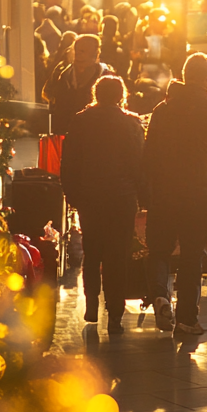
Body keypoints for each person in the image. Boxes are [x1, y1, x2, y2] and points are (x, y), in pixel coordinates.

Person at [143, 54, 207, 335]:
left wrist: (146, 191)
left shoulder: (161, 110)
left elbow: (148, 154)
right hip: (199, 192)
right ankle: (186, 319)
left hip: (164, 191)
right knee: (192, 256)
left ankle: (159, 295)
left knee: (159, 250)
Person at [60, 76, 144, 335]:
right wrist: (142, 198)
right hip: (122, 198)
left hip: (90, 197)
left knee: (92, 250)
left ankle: (92, 304)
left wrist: (72, 195)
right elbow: (140, 164)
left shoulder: (81, 121)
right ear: (121, 95)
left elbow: (69, 162)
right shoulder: (132, 123)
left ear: (95, 94)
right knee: (117, 256)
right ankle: (116, 313)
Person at [44, 34, 113, 135]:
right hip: (66, 134)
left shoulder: (106, 77)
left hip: (96, 134)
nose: (78, 55)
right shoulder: (63, 74)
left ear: (96, 54)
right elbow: (50, 96)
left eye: (83, 51)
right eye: (77, 50)